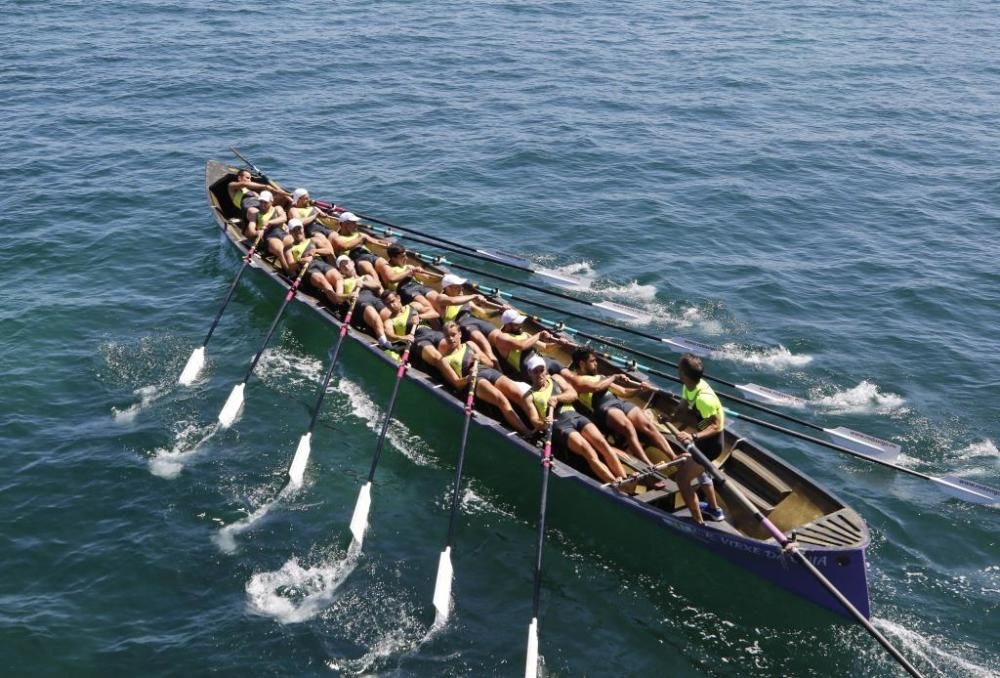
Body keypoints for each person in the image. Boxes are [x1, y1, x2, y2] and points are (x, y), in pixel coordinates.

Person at [561, 348, 681, 468]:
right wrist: (613, 377)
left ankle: (673, 456)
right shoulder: (577, 381)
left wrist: (639, 389)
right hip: (605, 407)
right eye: (592, 361)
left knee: (648, 425)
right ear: (582, 364)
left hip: (620, 403)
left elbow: (623, 392)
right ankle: (649, 465)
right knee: (629, 428)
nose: (596, 363)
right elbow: (596, 388)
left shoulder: (601, 377)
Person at [521, 355, 628, 484]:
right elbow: (534, 420)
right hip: (560, 425)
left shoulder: (556, 378)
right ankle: (615, 483)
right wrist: (543, 423)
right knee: (588, 451)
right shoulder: (529, 396)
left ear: (545, 370)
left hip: (575, 416)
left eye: (541, 370)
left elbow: (573, 394)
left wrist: (557, 398)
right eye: (535, 371)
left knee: (603, 444)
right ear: (529, 373)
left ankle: (626, 479)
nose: (539, 374)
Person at [435, 322, 531, 436]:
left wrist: (480, 357)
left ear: (459, 334)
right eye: (447, 336)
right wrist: (468, 378)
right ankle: (527, 433)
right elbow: (456, 383)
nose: (451, 338)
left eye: (453, 334)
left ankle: (536, 425)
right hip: (476, 380)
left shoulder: (470, 344)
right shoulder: (445, 359)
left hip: (489, 371)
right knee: (501, 399)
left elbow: (490, 364)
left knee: (520, 396)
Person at [672, 353, 726, 524]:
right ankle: (714, 510)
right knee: (697, 468)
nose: (677, 370)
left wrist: (693, 435)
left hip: (712, 443)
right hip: (703, 440)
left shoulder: (704, 399)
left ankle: (698, 523)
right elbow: (682, 407)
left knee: (682, 479)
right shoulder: (689, 386)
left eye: (679, 368)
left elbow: (715, 426)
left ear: (684, 375)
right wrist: (669, 417)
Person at [431, 273, 500, 363]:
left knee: (496, 335)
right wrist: (473, 296)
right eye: (457, 287)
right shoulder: (441, 298)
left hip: (474, 323)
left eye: (461, 286)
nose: (461, 289)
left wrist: (500, 311)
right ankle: (492, 359)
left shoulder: (466, 300)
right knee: (478, 337)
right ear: (448, 288)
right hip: (459, 329)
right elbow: (452, 301)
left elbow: (485, 314)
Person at [328, 255, 392, 344]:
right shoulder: (341, 281)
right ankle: (384, 342)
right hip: (359, 302)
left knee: (390, 317)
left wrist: (363, 283)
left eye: (347, 263)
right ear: (340, 270)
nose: (346, 266)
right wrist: (350, 295)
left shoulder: (366, 277)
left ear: (352, 263)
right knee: (375, 318)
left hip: (374, 299)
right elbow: (338, 297)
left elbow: (377, 286)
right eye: (342, 266)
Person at [491, 309, 563, 380]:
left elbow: (546, 347)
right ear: (507, 325)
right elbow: (522, 346)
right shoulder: (502, 337)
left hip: (541, 361)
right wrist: (539, 335)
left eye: (520, 323)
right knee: (556, 379)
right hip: (531, 370)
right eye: (517, 324)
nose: (520, 326)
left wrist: (559, 343)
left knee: (563, 370)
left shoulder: (525, 335)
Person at [380, 289, 443, 366]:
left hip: (431, 333)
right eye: (387, 304)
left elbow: (435, 314)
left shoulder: (413, 306)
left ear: (398, 298)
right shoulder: (389, 321)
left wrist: (420, 316)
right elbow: (390, 335)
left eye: (392, 301)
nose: (391, 306)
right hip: (418, 340)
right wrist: (403, 337)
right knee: (436, 358)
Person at [329, 211, 389, 278]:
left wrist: (386, 243)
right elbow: (344, 247)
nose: (356, 225)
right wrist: (361, 238)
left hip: (369, 255)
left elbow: (375, 241)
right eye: (353, 223)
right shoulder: (337, 238)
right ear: (344, 224)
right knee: (372, 273)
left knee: (384, 265)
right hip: (355, 261)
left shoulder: (358, 234)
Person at [376, 243, 437, 307]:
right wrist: (409, 271)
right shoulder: (388, 269)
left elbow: (428, 279)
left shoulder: (409, 266)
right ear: (393, 258)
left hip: (418, 287)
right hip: (405, 292)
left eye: (406, 255)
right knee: (427, 305)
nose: (406, 258)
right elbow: (392, 279)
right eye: (403, 256)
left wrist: (442, 278)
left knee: (436, 298)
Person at [282, 220, 338, 290]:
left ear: (303, 229)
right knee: (325, 284)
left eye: (299, 228)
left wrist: (316, 251)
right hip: (306, 272)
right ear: (290, 232)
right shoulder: (288, 248)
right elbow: (291, 267)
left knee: (336, 278)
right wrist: (301, 261)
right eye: (294, 230)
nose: (297, 232)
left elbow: (329, 251)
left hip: (321, 265)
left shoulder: (314, 240)